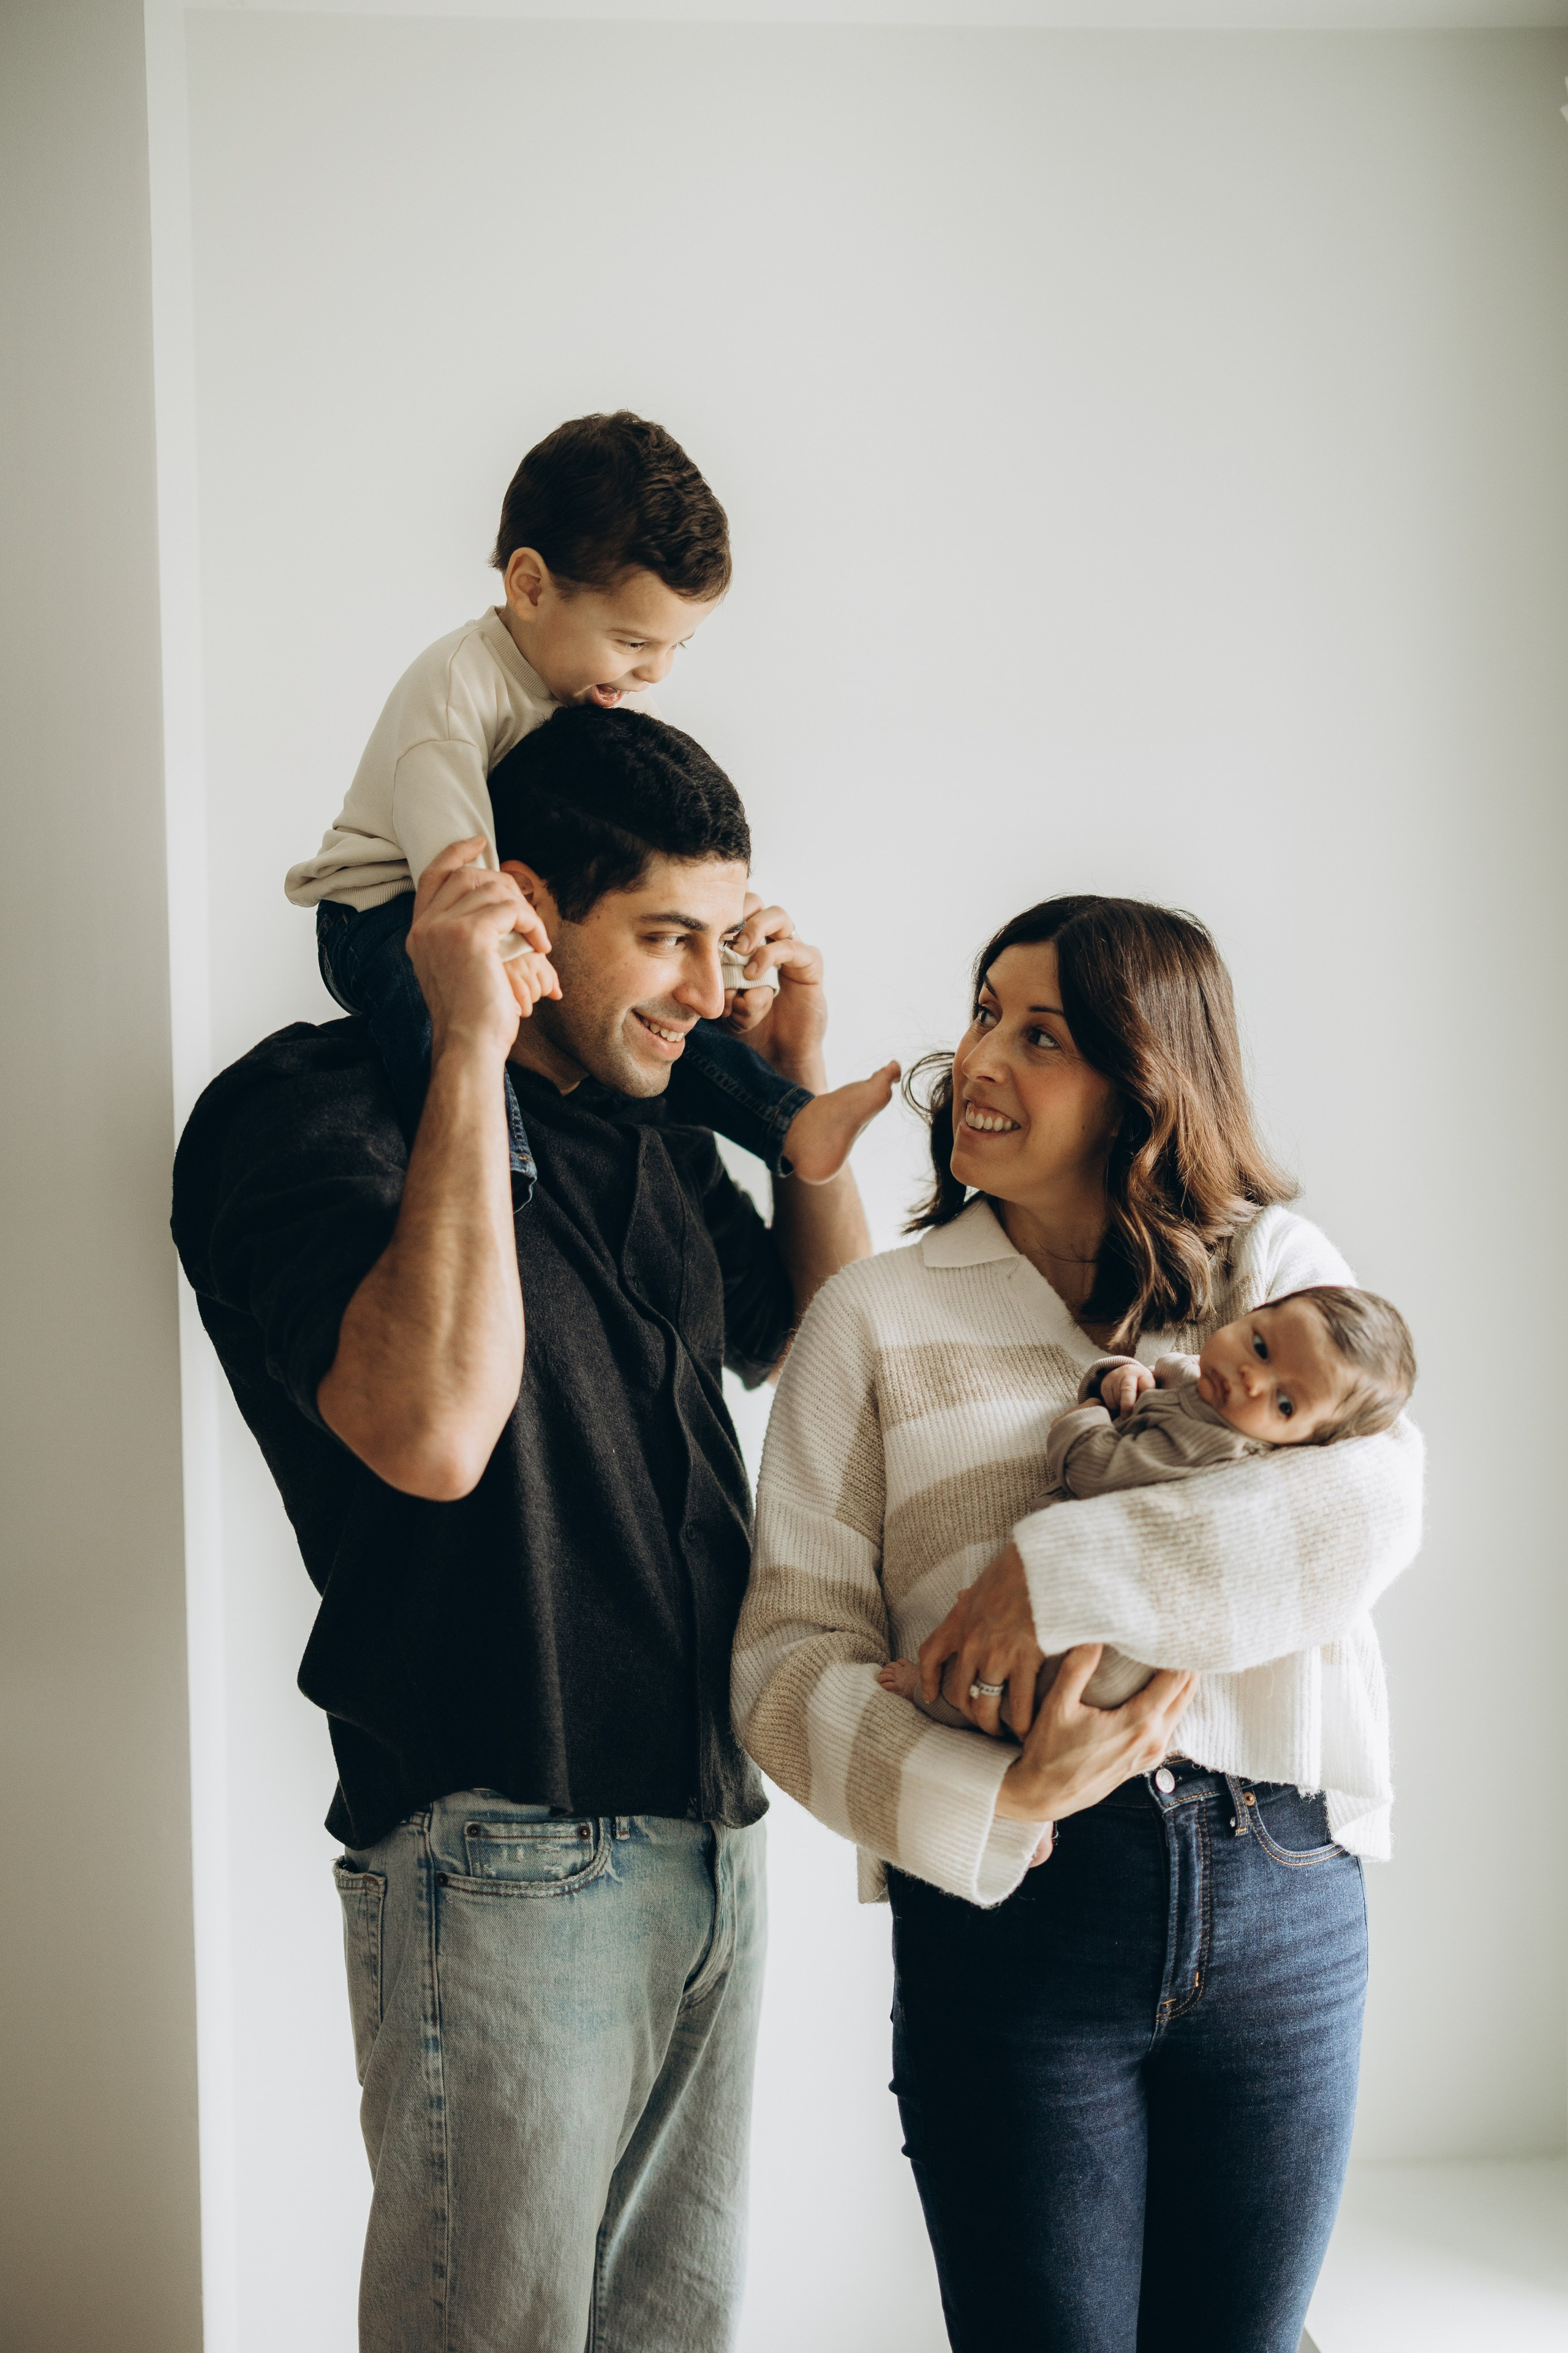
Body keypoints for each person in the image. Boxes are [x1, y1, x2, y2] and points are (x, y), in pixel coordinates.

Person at [173, 706, 888, 2352]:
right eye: (667, 940)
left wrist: (789, 1123)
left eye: (729, 941)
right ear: (520, 911)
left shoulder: (640, 1133)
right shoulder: (306, 1111)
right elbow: (428, 1430)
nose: (711, 990)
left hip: (709, 1825)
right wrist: (471, 1053)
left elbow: (820, 1365)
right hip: (504, 1838)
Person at [732, 893, 1425, 2353]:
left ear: (1144, 1080)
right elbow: (782, 1662)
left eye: (1038, 1033)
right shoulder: (870, 1317)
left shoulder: (1272, 1268)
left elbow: (1365, 1513)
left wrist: (1054, 1570)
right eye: (983, 1010)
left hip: (1283, 1888)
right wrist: (984, 1790)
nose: (977, 1056)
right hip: (1016, 1908)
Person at [285, 407, 891, 1185]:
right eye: (634, 642)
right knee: (441, 1004)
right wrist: (505, 950)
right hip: (388, 911)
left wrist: (711, 936)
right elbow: (455, 877)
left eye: (678, 646)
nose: (656, 673)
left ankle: (789, 1120)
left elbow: (617, 846)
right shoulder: (451, 697)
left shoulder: (571, 682)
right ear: (530, 585)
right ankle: (487, 1169)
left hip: (504, 899)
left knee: (658, 996)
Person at [878, 1282, 1416, 1718]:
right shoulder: (1202, 1382)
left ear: (1304, 1442)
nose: (1252, 1379)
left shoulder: (1213, 1443)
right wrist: (1120, 1376)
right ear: (1253, 1312)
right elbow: (1158, 1379)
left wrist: (1083, 1416)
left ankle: (935, 1701)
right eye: (1259, 1345)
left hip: (1104, 1648)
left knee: (1017, 1684)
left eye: (1283, 1402)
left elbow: (1097, 1471)